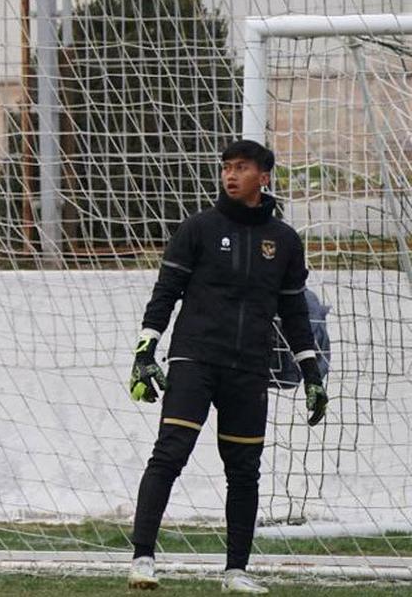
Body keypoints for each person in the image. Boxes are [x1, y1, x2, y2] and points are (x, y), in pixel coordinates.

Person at [125, 140, 329, 594]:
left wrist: (311, 373)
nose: (230, 175)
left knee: (244, 469)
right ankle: (142, 559)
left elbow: (295, 315)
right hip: (195, 359)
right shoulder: (197, 229)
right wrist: (145, 352)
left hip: (249, 368)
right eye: (226, 168)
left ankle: (235, 571)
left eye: (241, 167)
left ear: (265, 175)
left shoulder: (285, 242)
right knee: (170, 454)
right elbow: (165, 294)